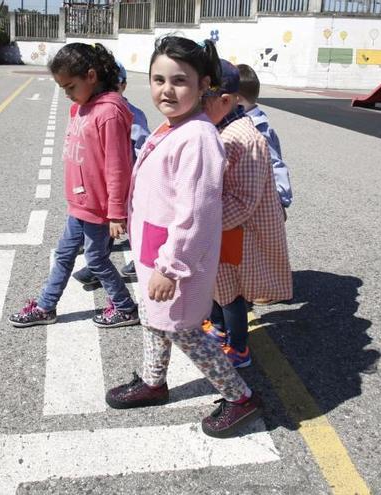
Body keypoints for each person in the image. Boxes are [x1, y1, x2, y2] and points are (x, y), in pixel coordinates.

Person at [105, 36, 264, 439]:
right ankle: (153, 381)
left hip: (175, 261)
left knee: (185, 329)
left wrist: (170, 268)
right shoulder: (173, 125)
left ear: (203, 84)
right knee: (154, 320)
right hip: (154, 252)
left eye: (179, 80)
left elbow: (194, 212)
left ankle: (240, 398)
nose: (166, 89)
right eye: (158, 79)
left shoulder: (198, 137)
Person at [7, 42, 139, 329]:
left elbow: (119, 167)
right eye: (62, 89)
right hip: (80, 205)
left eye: (70, 87)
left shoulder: (110, 113)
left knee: (96, 258)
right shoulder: (80, 108)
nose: (67, 95)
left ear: (91, 76)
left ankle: (126, 307)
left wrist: (117, 213)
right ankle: (45, 307)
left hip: (100, 209)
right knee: (64, 254)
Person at [200, 59, 293, 368]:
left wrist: (207, 224)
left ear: (226, 100)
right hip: (224, 226)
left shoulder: (244, 137)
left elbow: (244, 199)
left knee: (232, 291)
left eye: (203, 98)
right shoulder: (222, 127)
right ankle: (220, 329)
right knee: (219, 283)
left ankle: (238, 347)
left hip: (236, 229)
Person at [72, 60, 151, 287]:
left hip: (126, 181)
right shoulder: (96, 112)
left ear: (123, 86)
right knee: (104, 226)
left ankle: (140, 263)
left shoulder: (133, 114)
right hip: (104, 181)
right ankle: (97, 266)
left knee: (131, 225)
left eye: (114, 87)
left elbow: (142, 148)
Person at [235, 63, 292, 210]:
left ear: (237, 100)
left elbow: (275, 163)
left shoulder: (258, 129)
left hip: (261, 198)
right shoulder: (247, 121)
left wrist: (280, 197)